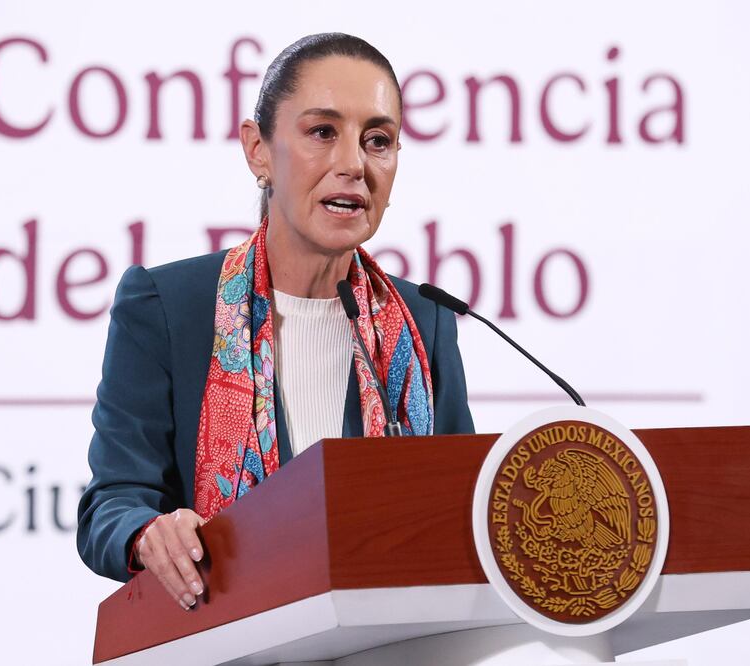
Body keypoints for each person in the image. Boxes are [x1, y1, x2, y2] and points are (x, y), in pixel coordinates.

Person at [76, 33, 475, 612]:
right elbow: (111, 504)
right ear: (257, 149)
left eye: (378, 141)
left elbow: (459, 510)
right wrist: (146, 533)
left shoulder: (423, 320)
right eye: (322, 133)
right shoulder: (167, 306)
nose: (353, 165)